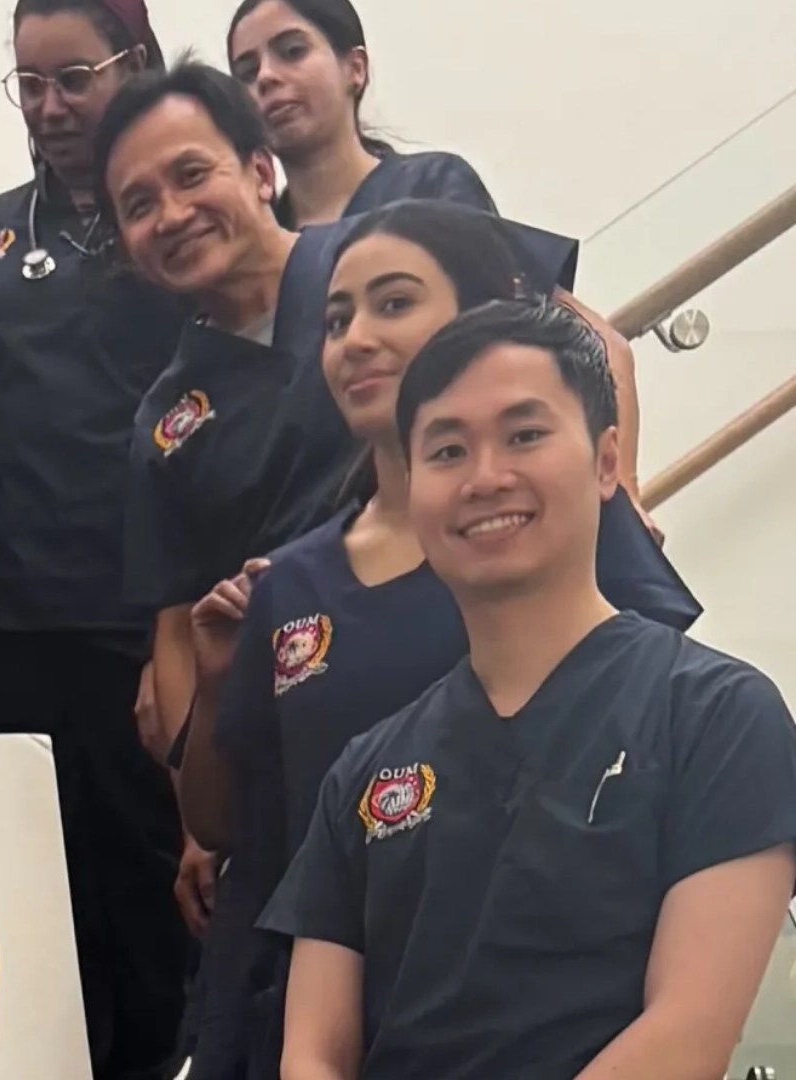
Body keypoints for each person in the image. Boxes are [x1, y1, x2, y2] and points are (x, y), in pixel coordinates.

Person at [174, 202, 702, 1080]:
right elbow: (239, 830)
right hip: (318, 1017)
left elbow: (652, 760)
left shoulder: (567, 539)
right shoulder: (289, 582)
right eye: (335, 318)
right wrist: (215, 680)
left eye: (394, 302)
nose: (357, 339)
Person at [261, 299, 796, 1079]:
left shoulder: (717, 717)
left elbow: (686, 1035)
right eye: (447, 450)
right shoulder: (364, 772)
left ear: (606, 462)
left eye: (524, 435)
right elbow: (313, 1054)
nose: (486, 478)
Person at [94, 62, 639, 756]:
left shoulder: (389, 253)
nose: (172, 215)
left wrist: (617, 501)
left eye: (192, 174)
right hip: (325, 691)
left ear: (260, 171)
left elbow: (598, 346)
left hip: (492, 627)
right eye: (139, 205)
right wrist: (195, 782)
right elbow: (176, 625)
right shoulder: (165, 420)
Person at [0, 0, 189, 1073]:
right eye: (29, 84)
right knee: (35, 889)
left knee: (151, 882)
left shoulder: (176, 226)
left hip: (143, 618)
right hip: (7, 622)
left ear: (132, 64)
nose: (48, 108)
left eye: (73, 79)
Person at [226, 0, 494, 228]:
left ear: (356, 69)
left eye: (293, 51)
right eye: (247, 73)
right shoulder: (255, 238)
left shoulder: (433, 187)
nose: (265, 76)